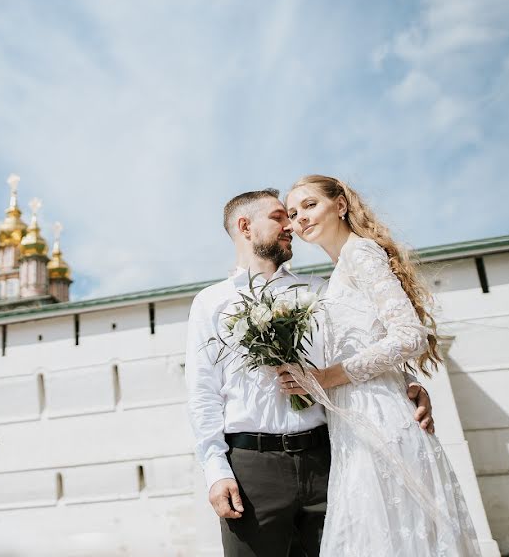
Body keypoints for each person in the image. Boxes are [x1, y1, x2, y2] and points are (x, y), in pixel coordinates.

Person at [185, 188, 434, 557]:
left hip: (329, 460)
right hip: (252, 471)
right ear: (245, 227)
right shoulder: (211, 302)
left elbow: (362, 343)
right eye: (278, 217)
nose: (291, 225)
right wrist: (216, 470)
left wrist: (406, 383)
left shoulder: (319, 291)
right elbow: (203, 393)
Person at [277, 175, 480, 556]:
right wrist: (407, 380)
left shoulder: (361, 253)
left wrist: (324, 378)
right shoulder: (335, 274)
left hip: (381, 419)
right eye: (292, 212)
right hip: (354, 422)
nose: (300, 217)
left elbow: (409, 335)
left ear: (340, 205)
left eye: (309, 205)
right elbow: (373, 337)